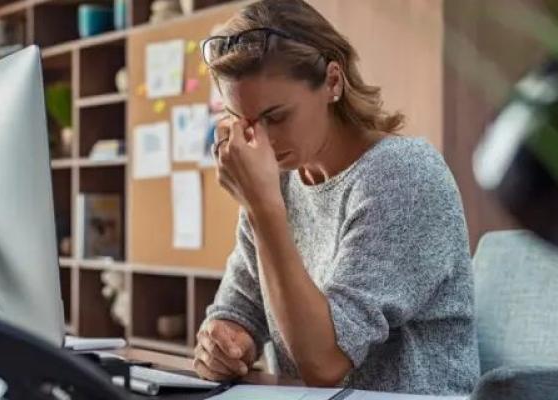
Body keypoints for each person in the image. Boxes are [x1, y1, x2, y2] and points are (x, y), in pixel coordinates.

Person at [194, 0, 479, 394]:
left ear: (332, 82)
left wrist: (262, 209)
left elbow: (325, 362)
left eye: (276, 117)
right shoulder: (278, 182)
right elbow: (240, 307)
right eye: (246, 122)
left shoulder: (402, 175)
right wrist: (224, 341)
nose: (261, 142)